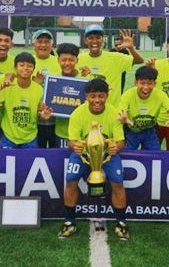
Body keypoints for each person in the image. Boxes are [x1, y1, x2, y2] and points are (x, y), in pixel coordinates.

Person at [59, 78, 129, 240]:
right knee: (70, 180)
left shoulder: (114, 113)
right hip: (83, 154)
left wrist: (115, 147)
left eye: (101, 96)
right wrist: (75, 146)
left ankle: (121, 223)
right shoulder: (77, 113)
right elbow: (71, 141)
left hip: (107, 156)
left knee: (118, 181)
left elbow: (120, 141)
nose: (97, 100)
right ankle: (69, 222)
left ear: (107, 95)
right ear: (86, 96)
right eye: (93, 96)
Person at [0, 52, 53, 149]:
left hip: (30, 139)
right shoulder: (6, 85)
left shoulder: (39, 89)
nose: (25, 68)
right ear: (15, 68)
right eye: (21, 65)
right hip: (8, 138)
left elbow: (39, 112)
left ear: (33, 69)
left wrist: (42, 115)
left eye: (29, 66)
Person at [78, 25, 144, 107]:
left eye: (98, 37)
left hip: (112, 111)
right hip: (87, 111)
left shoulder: (115, 57)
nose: (94, 41)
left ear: (103, 40)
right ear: (85, 40)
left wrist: (131, 48)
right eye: (90, 38)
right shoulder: (78, 59)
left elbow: (139, 60)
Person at [117, 66, 169, 150]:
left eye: (149, 83)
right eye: (142, 83)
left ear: (155, 84)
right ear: (136, 83)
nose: (146, 87)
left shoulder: (160, 94)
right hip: (131, 131)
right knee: (126, 154)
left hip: (150, 131)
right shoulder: (128, 95)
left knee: (155, 154)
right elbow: (121, 112)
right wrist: (123, 118)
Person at [31, 29, 61, 148]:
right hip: (34, 120)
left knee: (55, 154)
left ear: (52, 44)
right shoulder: (27, 62)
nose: (43, 45)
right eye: (40, 41)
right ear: (33, 44)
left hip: (56, 119)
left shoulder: (59, 62)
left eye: (47, 41)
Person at [53, 43, 85, 148]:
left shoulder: (85, 80)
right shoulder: (54, 82)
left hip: (82, 134)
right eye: (64, 60)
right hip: (62, 133)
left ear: (77, 60)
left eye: (71, 60)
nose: (67, 63)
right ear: (58, 60)